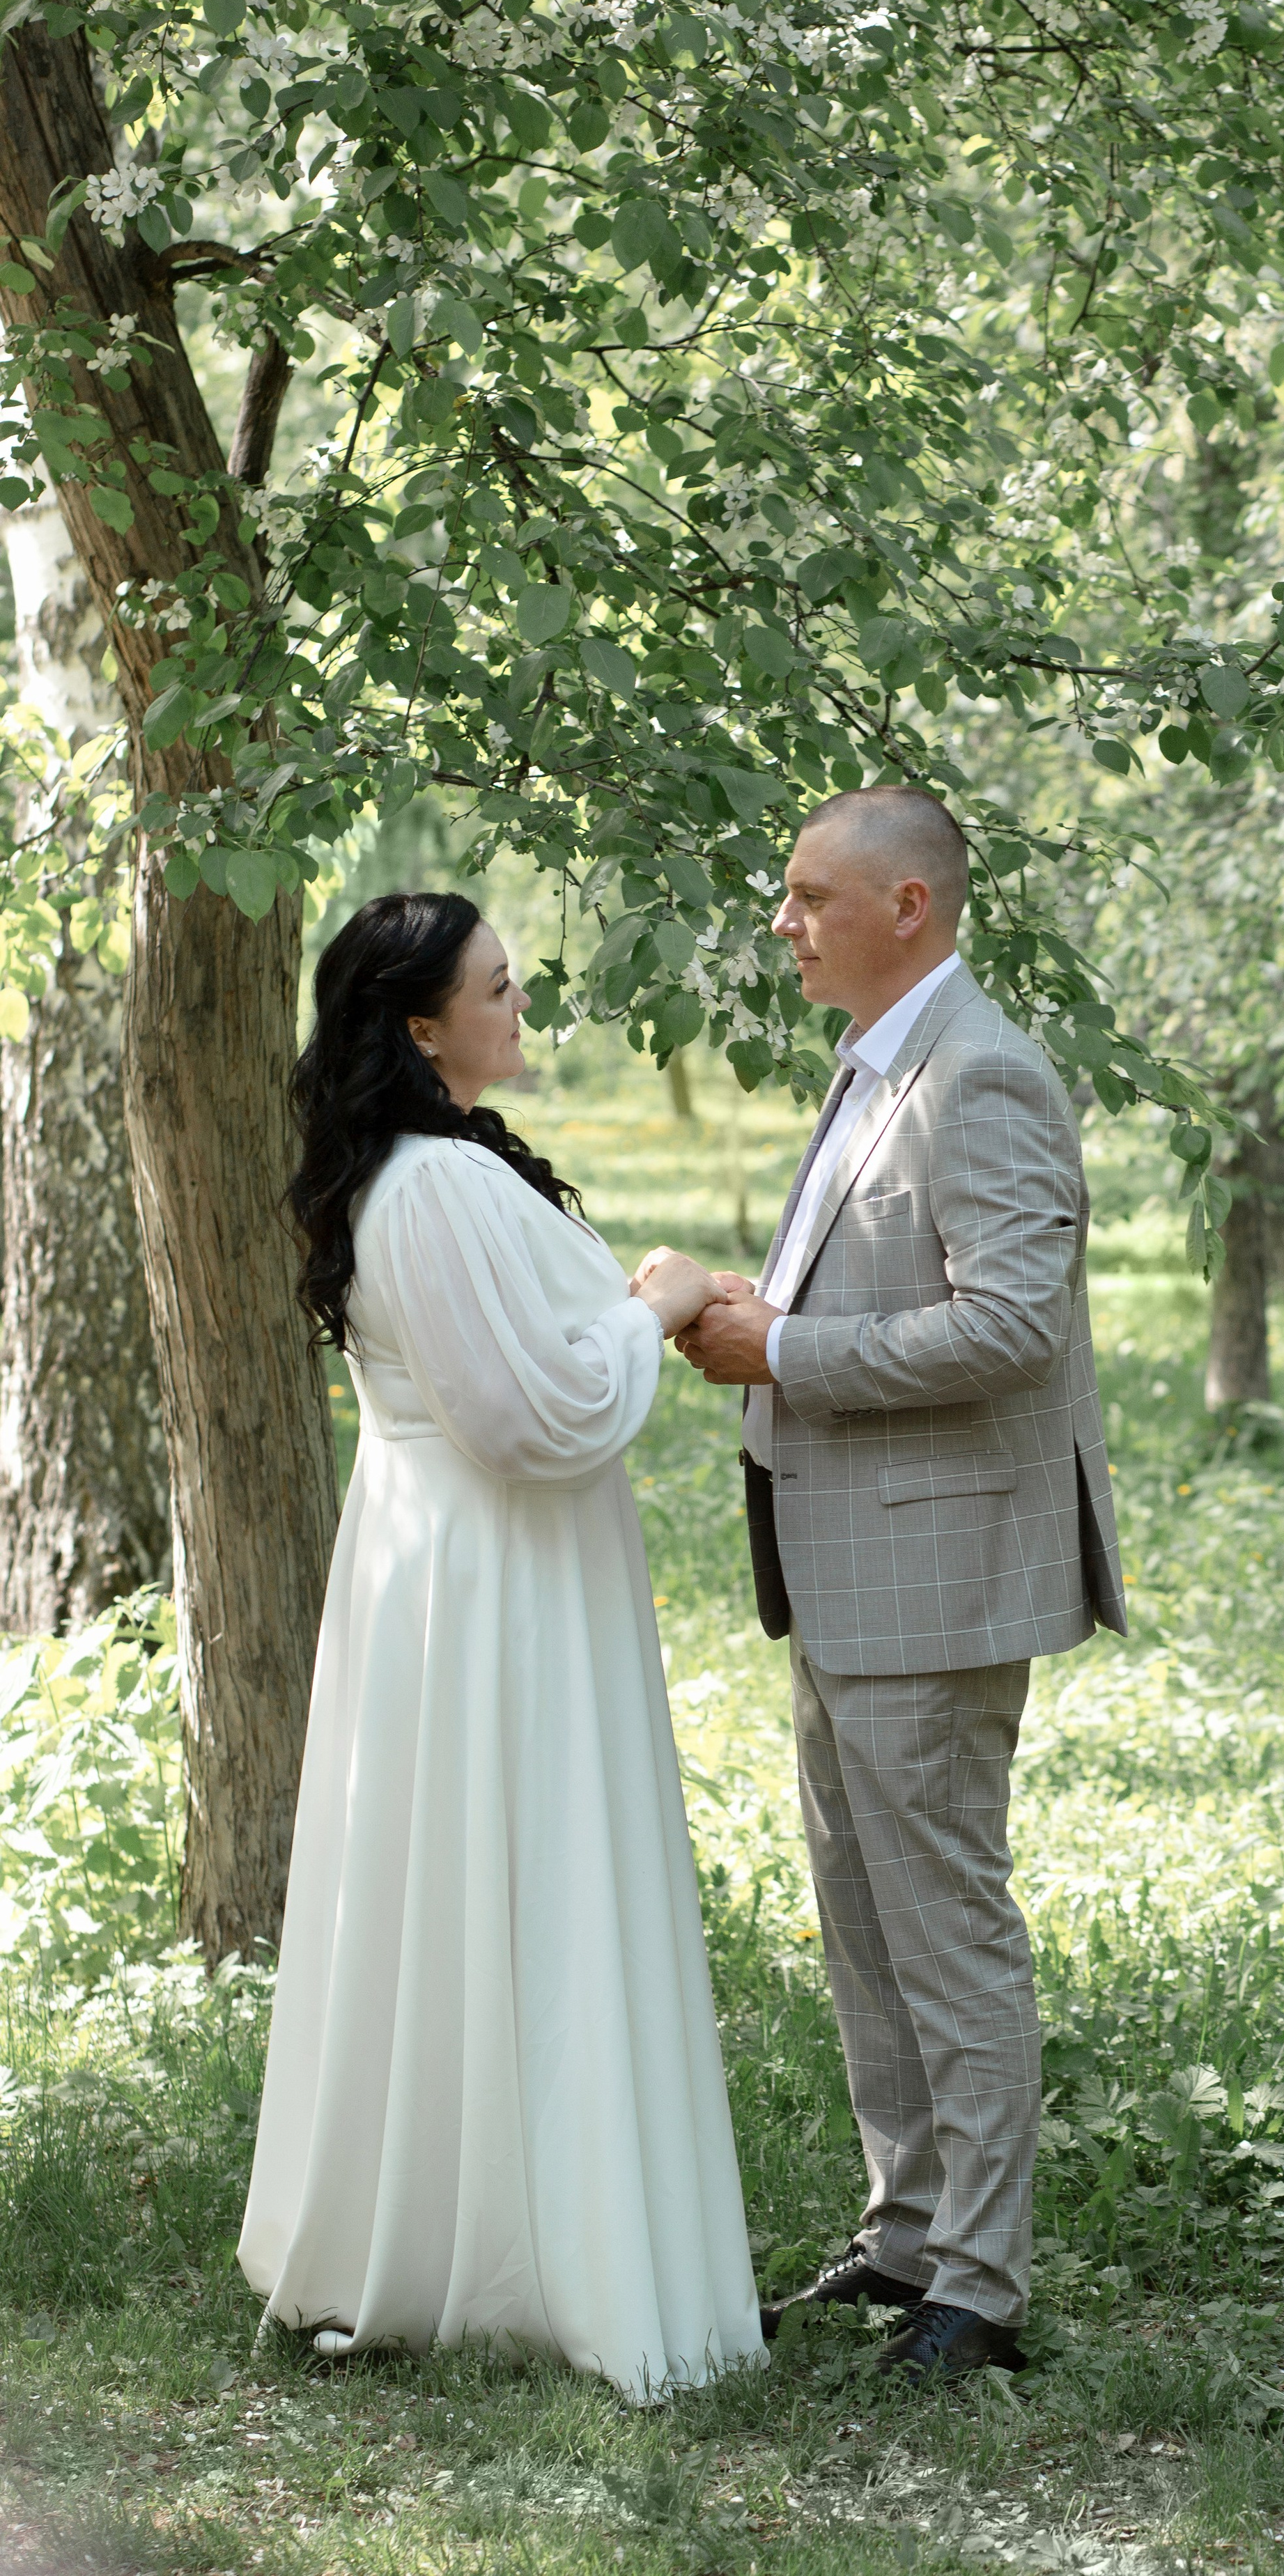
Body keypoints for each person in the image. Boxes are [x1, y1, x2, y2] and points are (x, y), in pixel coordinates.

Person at [238, 892, 761, 2399]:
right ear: (418, 1026)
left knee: (469, 1896)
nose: (518, 998)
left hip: (456, 1573)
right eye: (494, 985)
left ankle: (498, 2221)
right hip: (491, 1585)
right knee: (516, 1879)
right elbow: (530, 1419)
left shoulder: (429, 1175)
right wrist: (651, 1307)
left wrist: (613, 1308)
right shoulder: (431, 1188)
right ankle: (536, 2250)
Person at [667, 786, 1125, 2382]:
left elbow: (1013, 1324)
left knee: (943, 1928)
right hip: (844, 1568)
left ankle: (980, 2294)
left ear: (908, 906)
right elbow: (891, 1280)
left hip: (932, 1579)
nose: (782, 922)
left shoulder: (979, 1072)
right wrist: (761, 1305)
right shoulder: (879, 1064)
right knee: (864, 1923)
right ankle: (907, 2230)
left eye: (806, 897)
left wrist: (781, 1348)